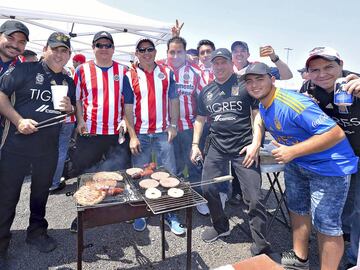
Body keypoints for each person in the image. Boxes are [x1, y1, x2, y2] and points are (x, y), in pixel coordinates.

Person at [242, 62, 358, 270]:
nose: (254, 85)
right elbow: (260, 118)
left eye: (259, 79)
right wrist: (256, 141)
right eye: (249, 81)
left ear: (272, 79)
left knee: (326, 225)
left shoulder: (293, 103)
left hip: (329, 166)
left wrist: (292, 151)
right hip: (297, 163)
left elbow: (335, 133)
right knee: (297, 210)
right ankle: (299, 258)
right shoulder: (263, 102)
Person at [0, 32, 75, 269]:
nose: (59, 55)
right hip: (16, 145)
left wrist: (71, 108)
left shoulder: (67, 81)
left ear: (69, 55)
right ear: (45, 49)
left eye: (64, 51)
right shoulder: (25, 69)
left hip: (47, 147)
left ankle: (36, 232)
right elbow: (1, 96)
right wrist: (19, 120)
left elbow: (65, 113)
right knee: (7, 197)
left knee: (41, 193)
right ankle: (1, 244)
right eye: (55, 49)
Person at [190, 48, 271, 256]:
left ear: (231, 63)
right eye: (215, 63)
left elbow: (257, 115)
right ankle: (220, 226)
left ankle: (261, 243)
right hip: (216, 146)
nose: (219, 67)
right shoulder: (206, 91)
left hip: (243, 147)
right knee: (208, 188)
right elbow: (200, 119)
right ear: (211, 66)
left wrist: (256, 143)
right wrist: (194, 144)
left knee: (254, 197)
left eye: (223, 62)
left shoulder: (245, 85)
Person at [299, 46, 360, 269]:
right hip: (336, 159)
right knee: (338, 209)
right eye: (315, 70)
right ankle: (338, 250)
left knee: (357, 211)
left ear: (341, 65)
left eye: (328, 67)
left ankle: (353, 261)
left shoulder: (354, 83)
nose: (322, 74)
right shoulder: (308, 88)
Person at [68, 31, 131, 232]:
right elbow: (77, 98)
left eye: (107, 45)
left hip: (116, 133)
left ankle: (120, 209)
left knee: (119, 173)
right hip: (91, 132)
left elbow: (129, 101)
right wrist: (79, 120)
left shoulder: (124, 71)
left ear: (113, 48)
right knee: (87, 174)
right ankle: (85, 213)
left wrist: (124, 119)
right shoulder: (82, 70)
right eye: (99, 45)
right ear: (93, 48)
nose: (103, 49)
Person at [123, 38, 184, 235]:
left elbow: (174, 100)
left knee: (170, 173)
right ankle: (141, 212)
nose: (146, 53)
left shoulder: (166, 72)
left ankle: (170, 213)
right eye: (142, 50)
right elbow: (128, 109)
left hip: (161, 133)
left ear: (155, 52)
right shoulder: (129, 74)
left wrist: (173, 125)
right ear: (136, 53)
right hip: (140, 133)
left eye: (150, 49)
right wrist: (132, 136)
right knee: (140, 174)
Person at [165, 36, 208, 214]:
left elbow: (203, 102)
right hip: (165, 130)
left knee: (194, 165)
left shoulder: (195, 73)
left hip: (189, 129)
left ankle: (199, 198)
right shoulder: (160, 70)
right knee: (169, 168)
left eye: (179, 52)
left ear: (185, 53)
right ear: (166, 53)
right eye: (171, 52)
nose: (175, 56)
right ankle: (170, 204)